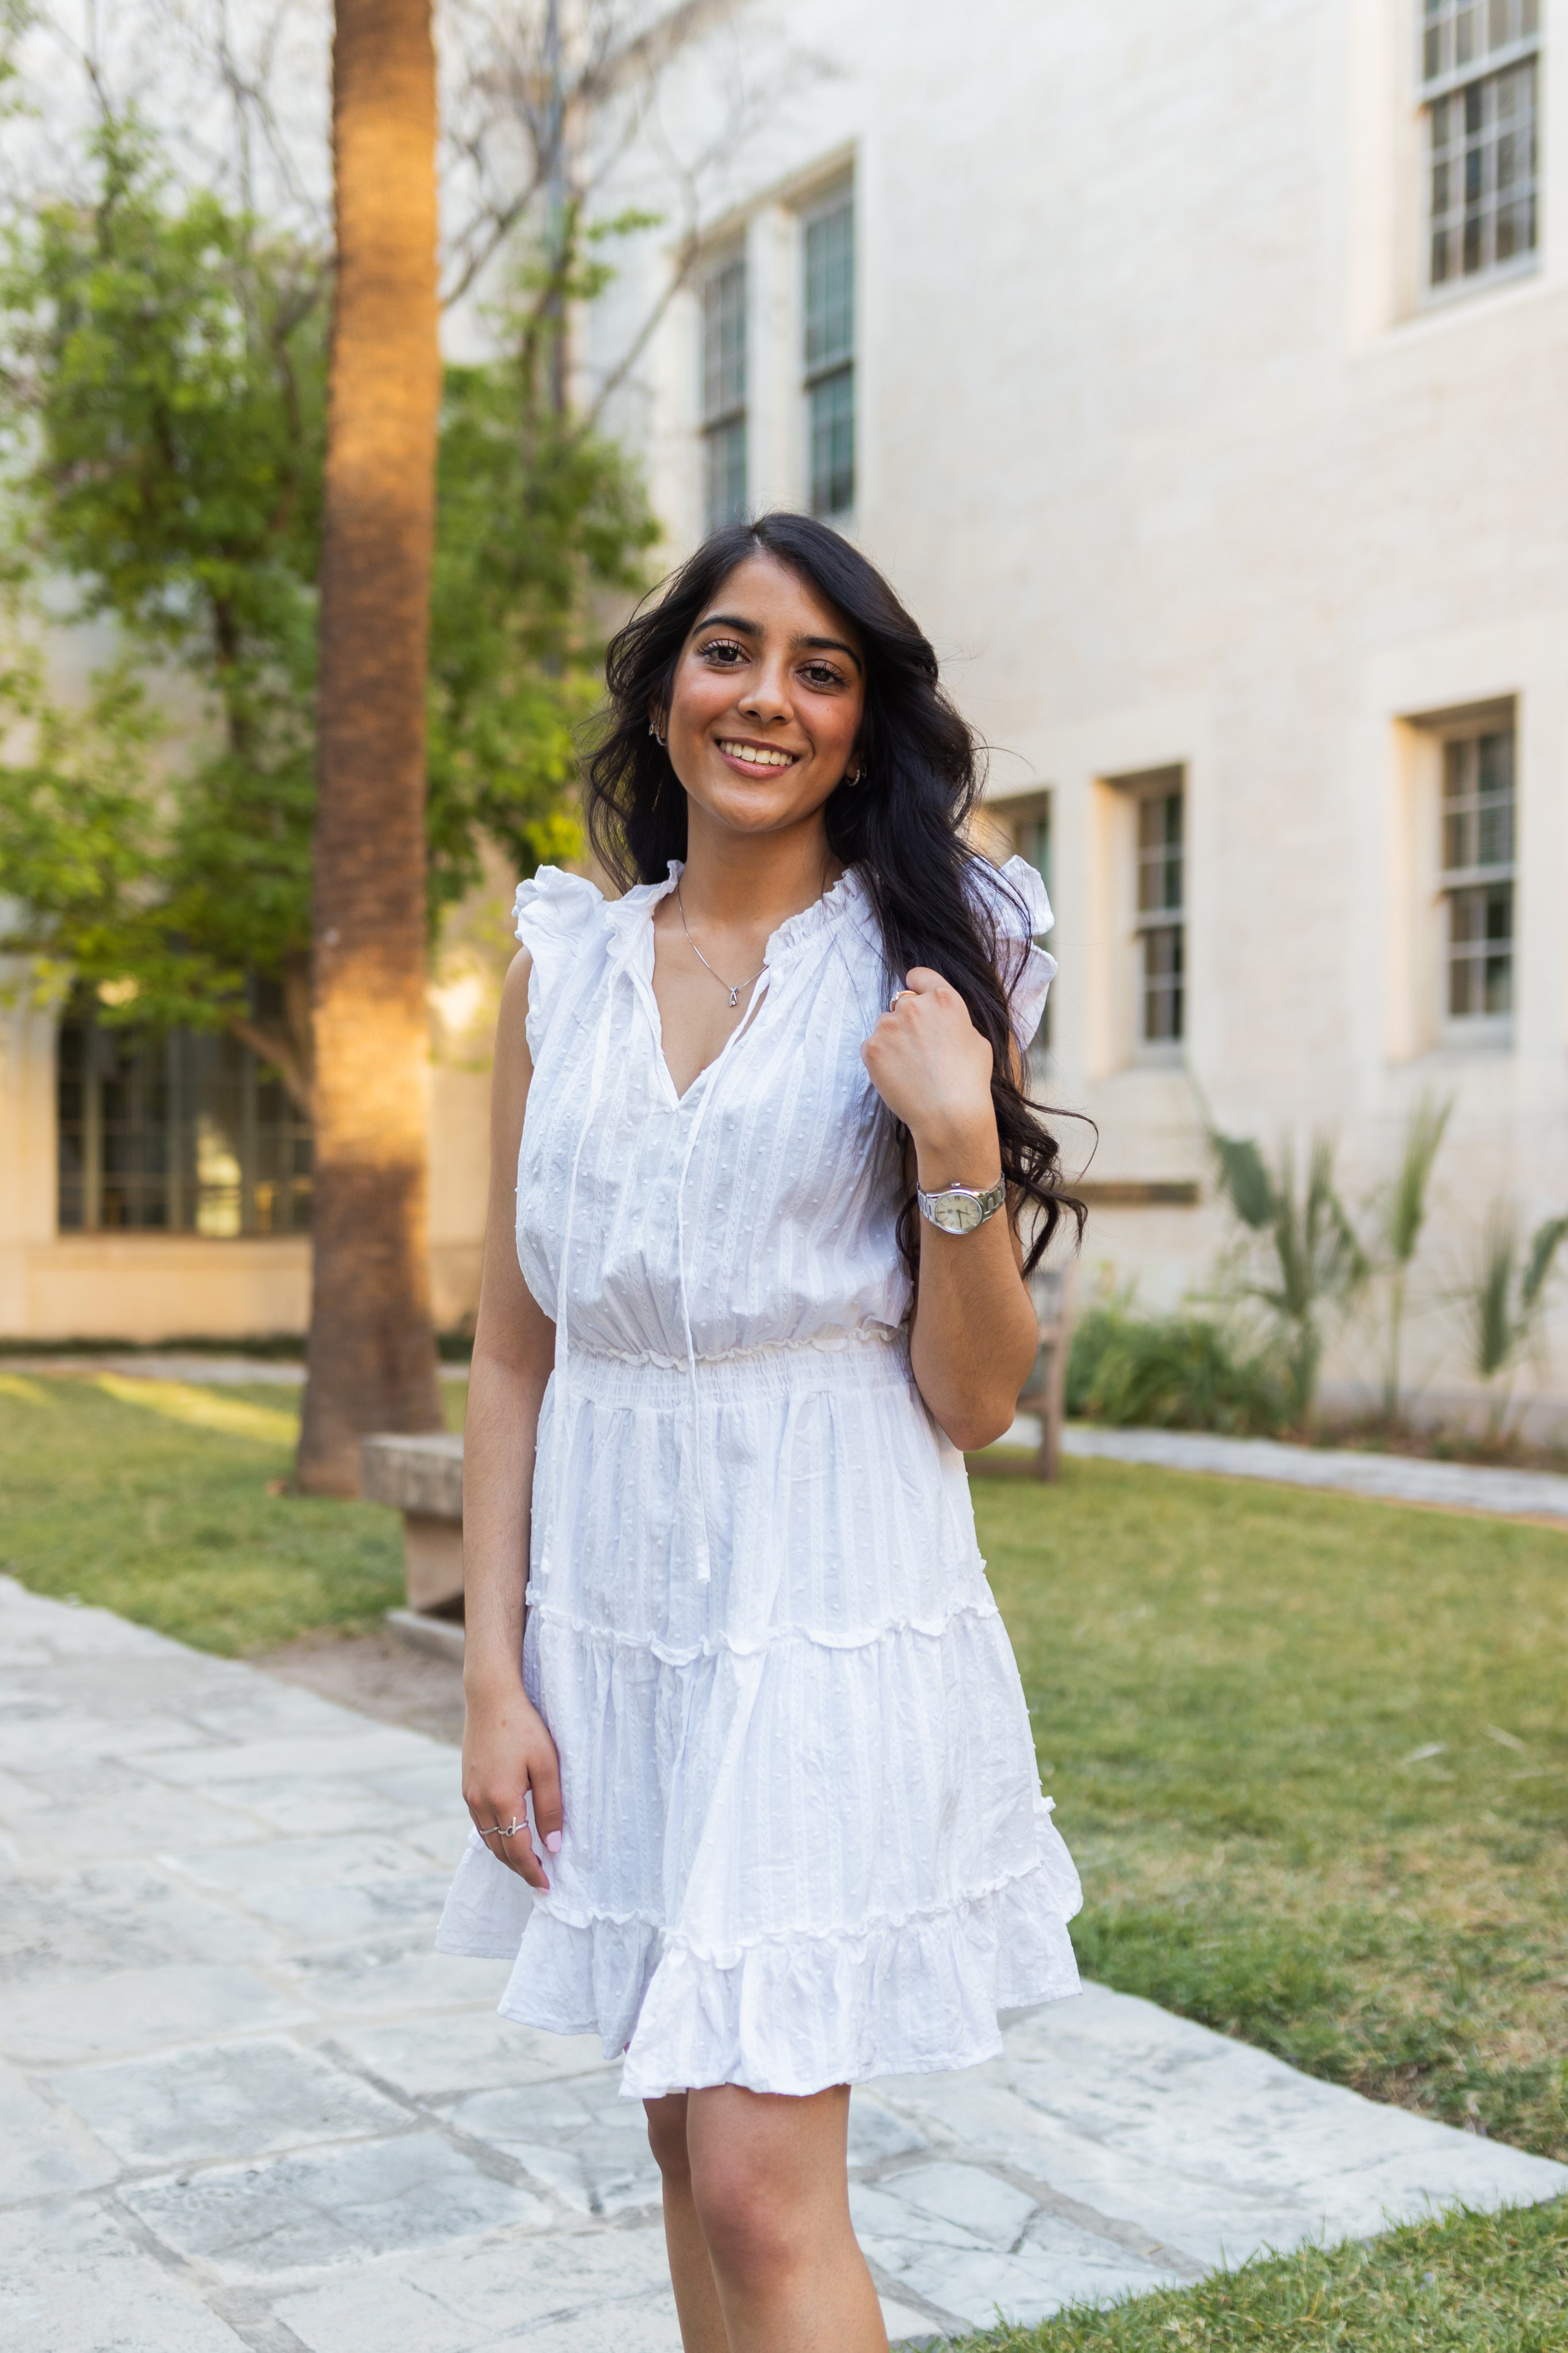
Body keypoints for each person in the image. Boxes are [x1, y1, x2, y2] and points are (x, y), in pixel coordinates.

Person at [438, 512, 1085, 2352]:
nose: (767, 700)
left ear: (866, 730)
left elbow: (973, 1399)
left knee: (755, 2182)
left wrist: (957, 1138)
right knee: (677, 2131)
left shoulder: (935, 964)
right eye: (729, 651)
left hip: (826, 1594)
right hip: (618, 1614)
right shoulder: (561, 970)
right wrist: (490, 1675)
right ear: (666, 690)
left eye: (822, 671)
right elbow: (512, 1351)